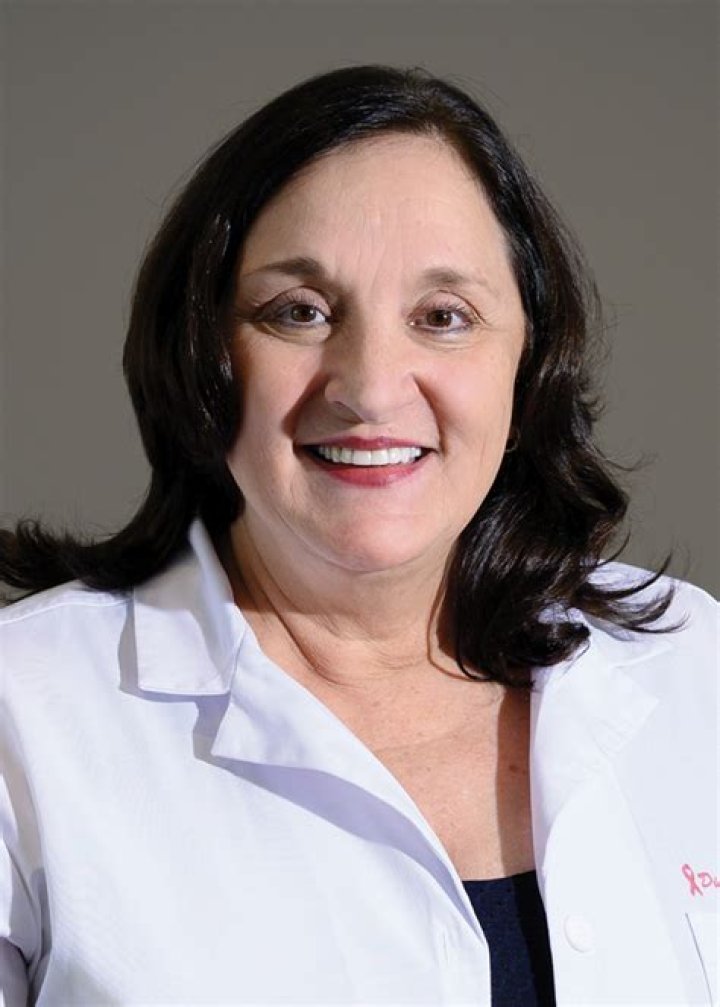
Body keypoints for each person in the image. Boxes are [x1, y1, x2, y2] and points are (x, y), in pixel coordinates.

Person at [0, 64, 716, 1007]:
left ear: (529, 361)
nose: (371, 388)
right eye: (300, 312)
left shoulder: (694, 668)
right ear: (205, 354)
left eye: (443, 317)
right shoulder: (24, 716)